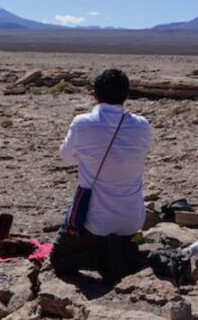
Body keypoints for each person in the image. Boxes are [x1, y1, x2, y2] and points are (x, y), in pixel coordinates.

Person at [50, 69, 151, 283]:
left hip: (96, 223)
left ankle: (104, 257)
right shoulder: (142, 125)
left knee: (58, 258)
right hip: (133, 219)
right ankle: (122, 250)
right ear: (127, 95)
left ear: (94, 95)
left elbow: (66, 158)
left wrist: (88, 158)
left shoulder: (82, 123)